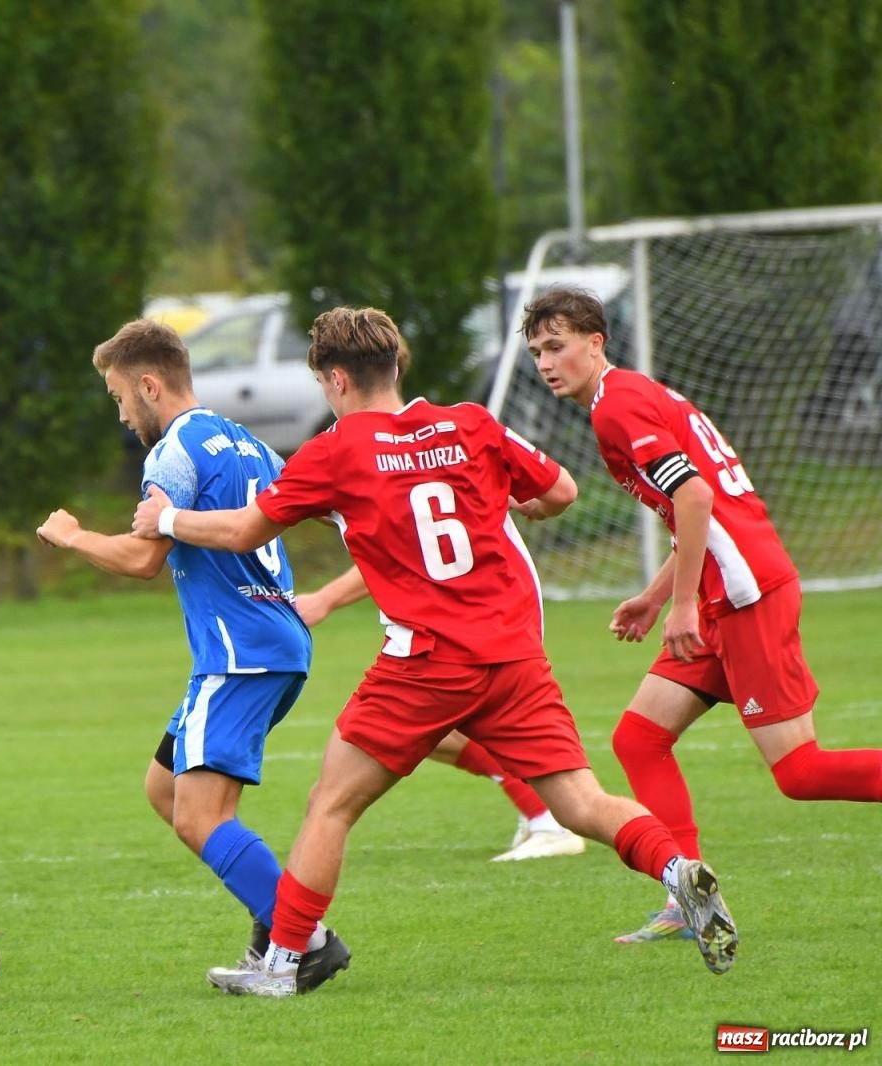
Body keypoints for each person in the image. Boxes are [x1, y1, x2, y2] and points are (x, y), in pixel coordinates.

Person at [131, 306, 739, 996]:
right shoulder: (470, 424)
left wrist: (168, 518)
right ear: (396, 367)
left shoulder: (336, 450)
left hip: (424, 660)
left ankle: (282, 964)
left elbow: (243, 530)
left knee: (331, 805)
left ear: (335, 380)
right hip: (513, 654)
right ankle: (674, 868)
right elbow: (562, 489)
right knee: (579, 800)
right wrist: (526, 505)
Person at [522, 286, 882, 943]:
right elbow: (696, 507)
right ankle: (688, 898)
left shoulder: (618, 408)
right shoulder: (628, 396)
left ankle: (685, 896)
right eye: (537, 351)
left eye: (557, 345)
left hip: (745, 597)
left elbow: (693, 496)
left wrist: (681, 603)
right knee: (639, 738)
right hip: (723, 592)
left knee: (800, 773)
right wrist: (659, 595)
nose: (546, 362)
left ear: (595, 343)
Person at [35, 317, 349, 991]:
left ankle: (304, 940)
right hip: (272, 642)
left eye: (121, 397)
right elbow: (313, 508)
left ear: (149, 385)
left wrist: (73, 537)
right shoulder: (247, 443)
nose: (122, 415)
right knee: (165, 786)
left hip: (239, 654)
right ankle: (279, 929)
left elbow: (145, 556)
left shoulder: (173, 451)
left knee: (199, 815)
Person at [295, 565, 585, 861]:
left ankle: (550, 819)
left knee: (408, 724)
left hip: (483, 621)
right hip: (475, 619)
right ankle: (543, 812)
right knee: (425, 728)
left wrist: (325, 598)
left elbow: (390, 543)